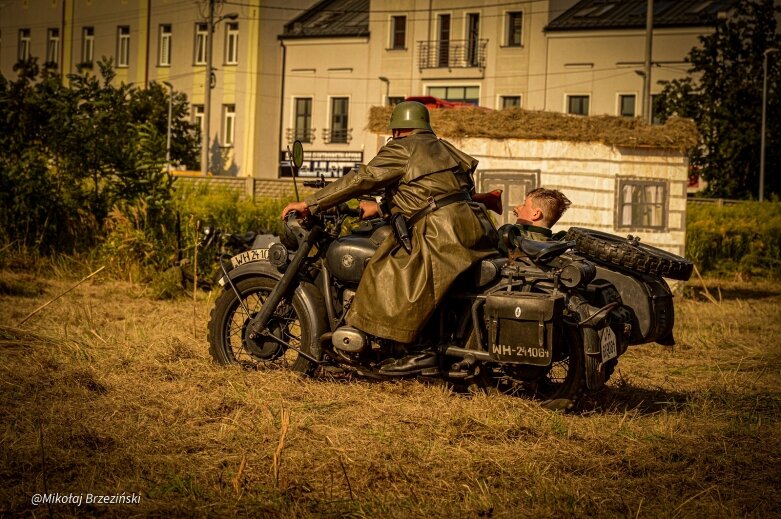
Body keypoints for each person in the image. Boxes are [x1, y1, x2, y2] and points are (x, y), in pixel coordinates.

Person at [281, 101, 498, 373]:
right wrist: (381, 207)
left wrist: (311, 204)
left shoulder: (402, 148)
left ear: (398, 130)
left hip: (441, 233)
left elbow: (363, 178)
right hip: (475, 228)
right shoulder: (444, 148)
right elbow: (428, 191)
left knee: (383, 269)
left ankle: (417, 351)